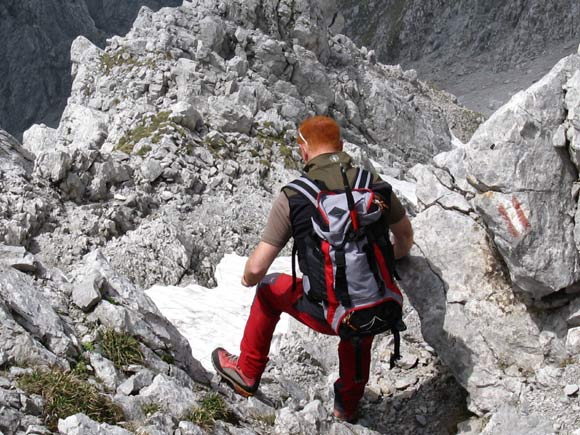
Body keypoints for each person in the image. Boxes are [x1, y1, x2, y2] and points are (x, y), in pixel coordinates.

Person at [212, 115, 414, 422]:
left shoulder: (294, 196)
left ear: (303, 149)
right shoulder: (373, 184)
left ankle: (247, 372)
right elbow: (405, 238)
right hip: (379, 307)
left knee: (268, 289)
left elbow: (256, 268)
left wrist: (246, 278)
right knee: (360, 308)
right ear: (342, 146)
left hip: (326, 311)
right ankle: (346, 406)